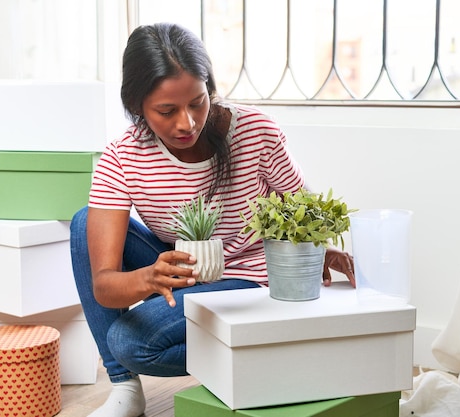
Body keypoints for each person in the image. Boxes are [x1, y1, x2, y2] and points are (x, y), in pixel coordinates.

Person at [70, 22, 356, 417]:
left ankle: (259, 354)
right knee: (83, 223)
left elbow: (302, 210)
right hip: (186, 271)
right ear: (138, 107)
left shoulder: (254, 132)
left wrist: (319, 251)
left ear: (209, 89)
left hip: (249, 275)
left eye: (197, 102)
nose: (187, 123)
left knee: (133, 344)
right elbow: (103, 286)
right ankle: (125, 390)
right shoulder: (123, 157)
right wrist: (147, 278)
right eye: (167, 111)